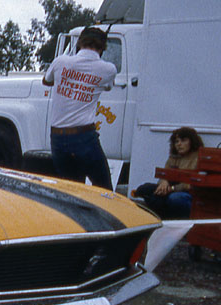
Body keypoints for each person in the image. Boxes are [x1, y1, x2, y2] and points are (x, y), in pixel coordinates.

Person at [42, 27, 116, 190]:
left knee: (72, 191)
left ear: (79, 43)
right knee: (104, 190)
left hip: (58, 138)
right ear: (102, 48)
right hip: (84, 137)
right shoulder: (108, 69)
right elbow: (108, 87)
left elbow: (46, 81)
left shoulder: (61, 61)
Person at [133, 127, 204, 219]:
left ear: (192, 141)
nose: (179, 144)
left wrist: (172, 188)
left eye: (183, 140)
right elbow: (164, 175)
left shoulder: (198, 157)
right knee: (144, 188)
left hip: (187, 193)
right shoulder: (174, 157)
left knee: (174, 198)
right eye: (176, 141)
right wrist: (164, 182)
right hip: (169, 189)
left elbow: (190, 185)